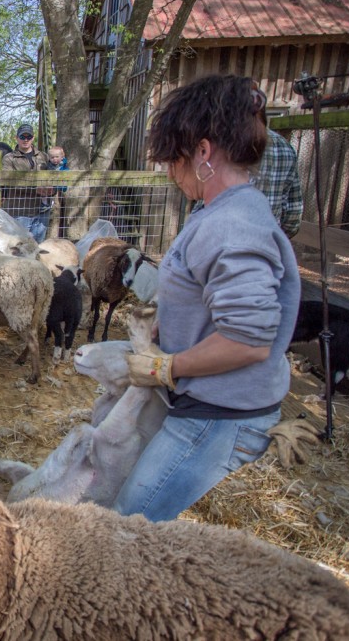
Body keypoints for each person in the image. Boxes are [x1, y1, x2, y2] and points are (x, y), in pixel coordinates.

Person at [113, 74, 300, 523]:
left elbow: (247, 340)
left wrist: (167, 366)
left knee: (129, 523)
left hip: (219, 413)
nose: (170, 172)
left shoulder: (233, 225)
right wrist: (172, 323)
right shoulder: (217, 211)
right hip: (205, 402)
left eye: (173, 159)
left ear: (202, 152)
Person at [190, 89, 302, 238]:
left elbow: (209, 196)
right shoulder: (285, 147)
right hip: (265, 242)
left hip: (221, 239)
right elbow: (293, 216)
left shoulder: (225, 142)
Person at [2, 123, 56, 242]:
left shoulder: (44, 156)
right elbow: (9, 181)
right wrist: (35, 189)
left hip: (42, 211)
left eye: (28, 137)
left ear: (33, 137)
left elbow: (53, 176)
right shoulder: (9, 158)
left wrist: (53, 190)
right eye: (22, 137)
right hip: (20, 211)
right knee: (20, 247)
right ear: (17, 138)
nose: (25, 140)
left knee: (38, 246)